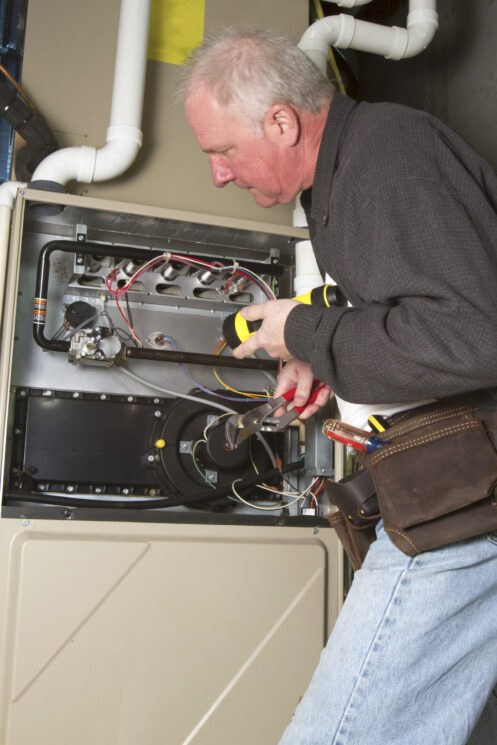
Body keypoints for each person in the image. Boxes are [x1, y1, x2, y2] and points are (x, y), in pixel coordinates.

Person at [182, 28, 497, 745]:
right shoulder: (347, 173)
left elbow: (476, 336)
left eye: (222, 150)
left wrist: (304, 331)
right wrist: (318, 351)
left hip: (465, 499)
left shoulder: (387, 160)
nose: (219, 175)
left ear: (281, 122)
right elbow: (419, 310)